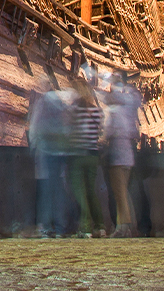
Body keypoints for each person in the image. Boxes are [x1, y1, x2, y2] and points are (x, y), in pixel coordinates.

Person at [60, 74, 106, 237]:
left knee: (79, 192)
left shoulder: (73, 109)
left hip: (77, 155)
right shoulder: (95, 110)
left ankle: (85, 227)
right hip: (93, 155)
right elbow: (100, 131)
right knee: (91, 191)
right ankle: (100, 226)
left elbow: (66, 131)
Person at [28, 75, 69, 237]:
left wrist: (33, 145)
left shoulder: (43, 102)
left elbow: (35, 125)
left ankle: (45, 225)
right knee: (58, 188)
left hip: (46, 150)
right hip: (60, 151)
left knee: (45, 188)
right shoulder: (60, 103)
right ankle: (60, 226)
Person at [102, 77, 141, 237]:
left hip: (117, 155)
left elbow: (109, 132)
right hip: (128, 155)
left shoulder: (115, 112)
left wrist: (104, 138)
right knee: (125, 192)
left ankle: (122, 227)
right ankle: (131, 226)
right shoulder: (128, 111)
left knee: (119, 194)